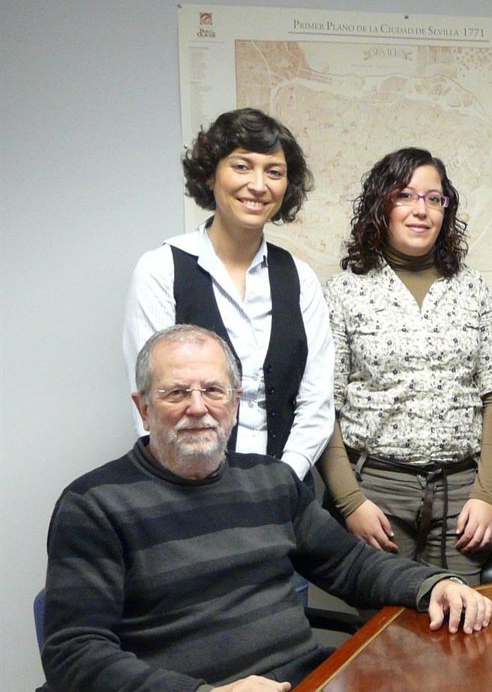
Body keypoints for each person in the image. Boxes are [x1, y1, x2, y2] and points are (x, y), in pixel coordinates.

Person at [42, 325, 491, 692]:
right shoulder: (94, 505)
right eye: (176, 393)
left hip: (305, 688)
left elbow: (351, 565)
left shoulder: (270, 480)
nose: (197, 408)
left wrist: (431, 585)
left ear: (235, 404)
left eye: (213, 391)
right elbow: (73, 654)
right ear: (143, 407)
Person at [320, 147, 492, 585]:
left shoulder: (470, 287)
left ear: (446, 210)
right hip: (377, 492)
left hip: (462, 497)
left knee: (461, 616)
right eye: (405, 196)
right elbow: (322, 405)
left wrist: (487, 494)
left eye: (434, 199)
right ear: (382, 206)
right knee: (387, 619)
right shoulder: (343, 292)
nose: (421, 210)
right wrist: (350, 501)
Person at [123, 107, 334, 483]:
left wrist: (283, 479)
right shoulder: (161, 269)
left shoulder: (300, 278)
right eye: (241, 166)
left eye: (274, 172)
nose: (258, 185)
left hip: (286, 486)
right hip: (187, 489)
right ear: (210, 174)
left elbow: (317, 401)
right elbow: (153, 401)